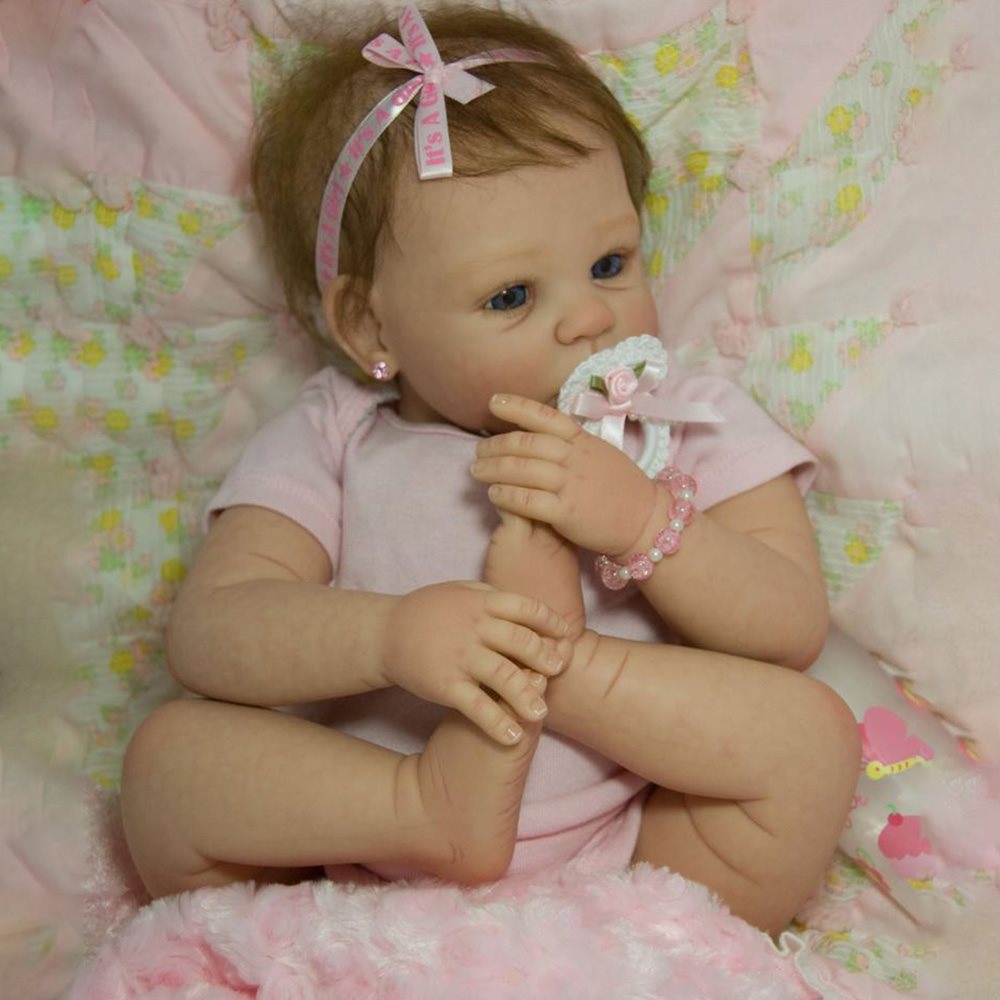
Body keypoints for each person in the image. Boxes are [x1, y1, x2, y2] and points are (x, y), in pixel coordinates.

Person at [120, 4, 860, 936]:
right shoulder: (337, 432)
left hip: (632, 855)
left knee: (809, 736)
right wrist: (390, 638)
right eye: (511, 295)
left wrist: (643, 526)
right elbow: (215, 632)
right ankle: (424, 805)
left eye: (610, 262)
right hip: (360, 843)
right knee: (168, 760)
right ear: (371, 325)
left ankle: (667, 941)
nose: (589, 318)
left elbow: (790, 625)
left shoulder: (678, 416)